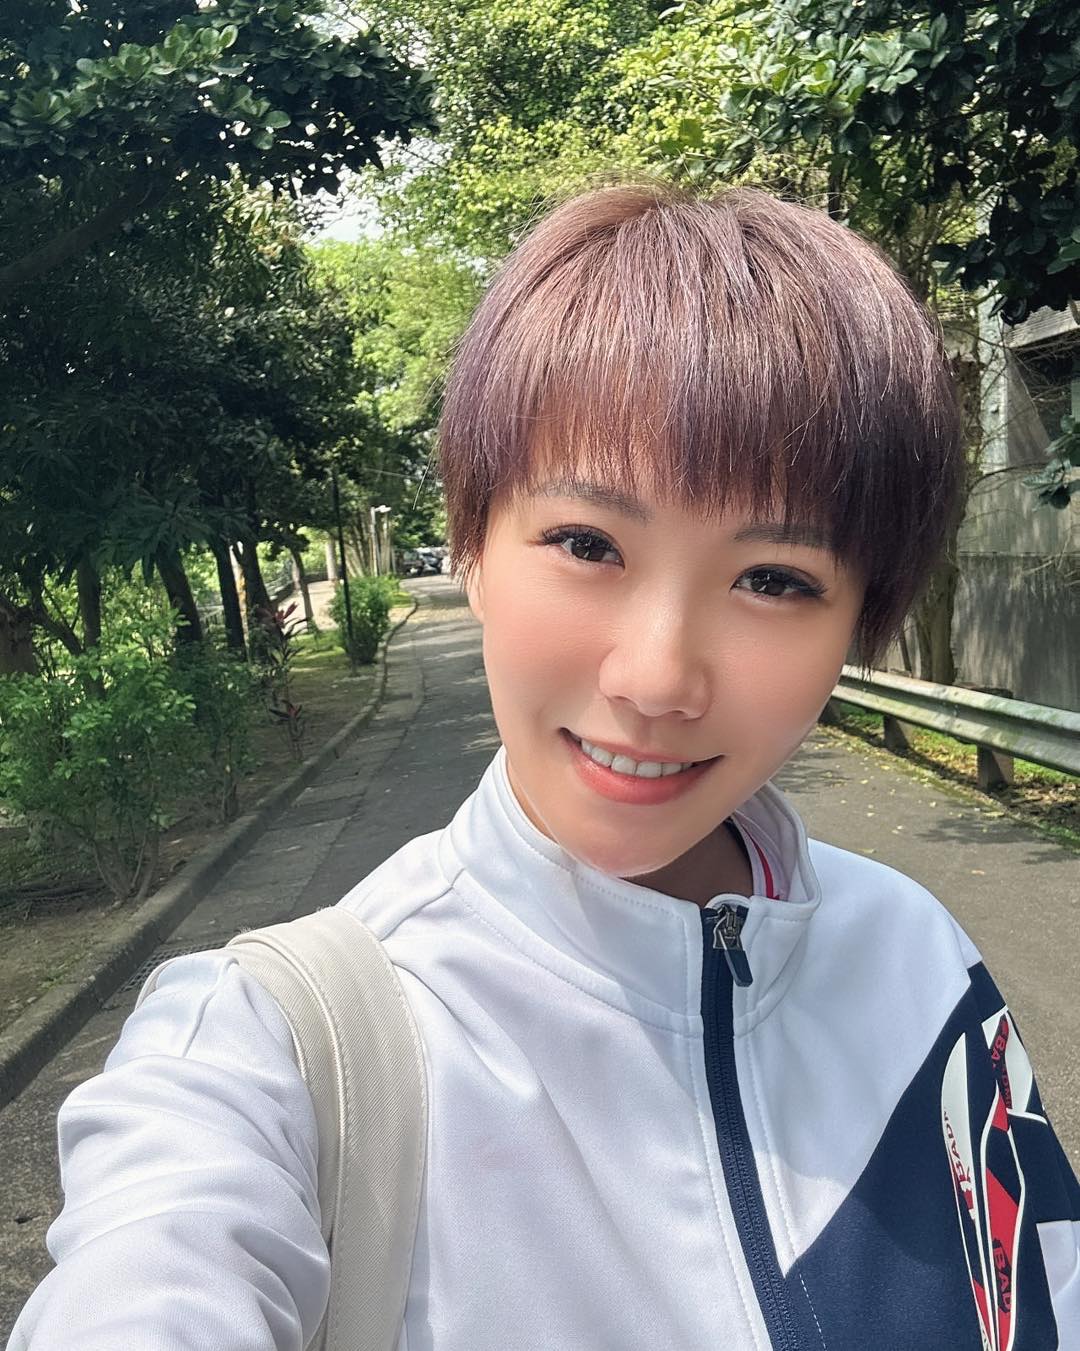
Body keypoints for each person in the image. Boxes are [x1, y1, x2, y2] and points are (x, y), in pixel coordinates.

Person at [9, 183, 1079, 1350]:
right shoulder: (280, 1052)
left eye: (774, 579)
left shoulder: (918, 958)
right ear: (470, 546)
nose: (656, 678)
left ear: (859, 618)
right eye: (586, 543)